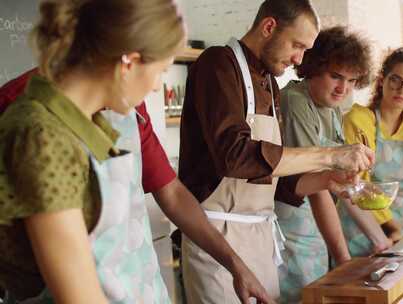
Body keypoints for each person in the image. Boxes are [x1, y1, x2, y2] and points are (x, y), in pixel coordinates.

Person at [0, 0, 271, 303]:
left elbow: (169, 192)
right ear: (128, 62)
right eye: (160, 72)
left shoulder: (96, 118)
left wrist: (234, 264)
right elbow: (79, 296)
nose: (157, 87)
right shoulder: (41, 135)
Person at [178, 0, 375, 302]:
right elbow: (235, 155)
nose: (299, 59)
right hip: (216, 243)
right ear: (269, 27)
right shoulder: (217, 63)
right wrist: (329, 155)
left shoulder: (270, 84)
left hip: (261, 243)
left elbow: (276, 180)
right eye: (297, 46)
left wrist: (328, 180)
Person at [275, 25, 393, 303]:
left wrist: (380, 239)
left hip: (316, 229)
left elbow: (345, 183)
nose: (344, 88)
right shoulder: (296, 101)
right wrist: (343, 258)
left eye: (352, 80)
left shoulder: (332, 108)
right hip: (291, 230)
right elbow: (316, 184)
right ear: (312, 67)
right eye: (335, 76)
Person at [339, 47, 403, 257]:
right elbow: (359, 188)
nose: (402, 91)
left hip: (401, 238)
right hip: (362, 232)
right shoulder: (359, 120)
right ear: (382, 79)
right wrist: (391, 230)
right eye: (396, 80)